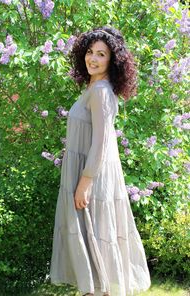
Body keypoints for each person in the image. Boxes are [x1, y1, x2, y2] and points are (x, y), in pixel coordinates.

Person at [50, 25, 151, 296]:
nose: (92, 59)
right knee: (89, 238)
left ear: (113, 60)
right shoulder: (92, 87)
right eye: (90, 52)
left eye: (101, 54)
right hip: (86, 173)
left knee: (95, 239)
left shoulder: (101, 92)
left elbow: (102, 142)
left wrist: (85, 182)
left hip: (92, 176)